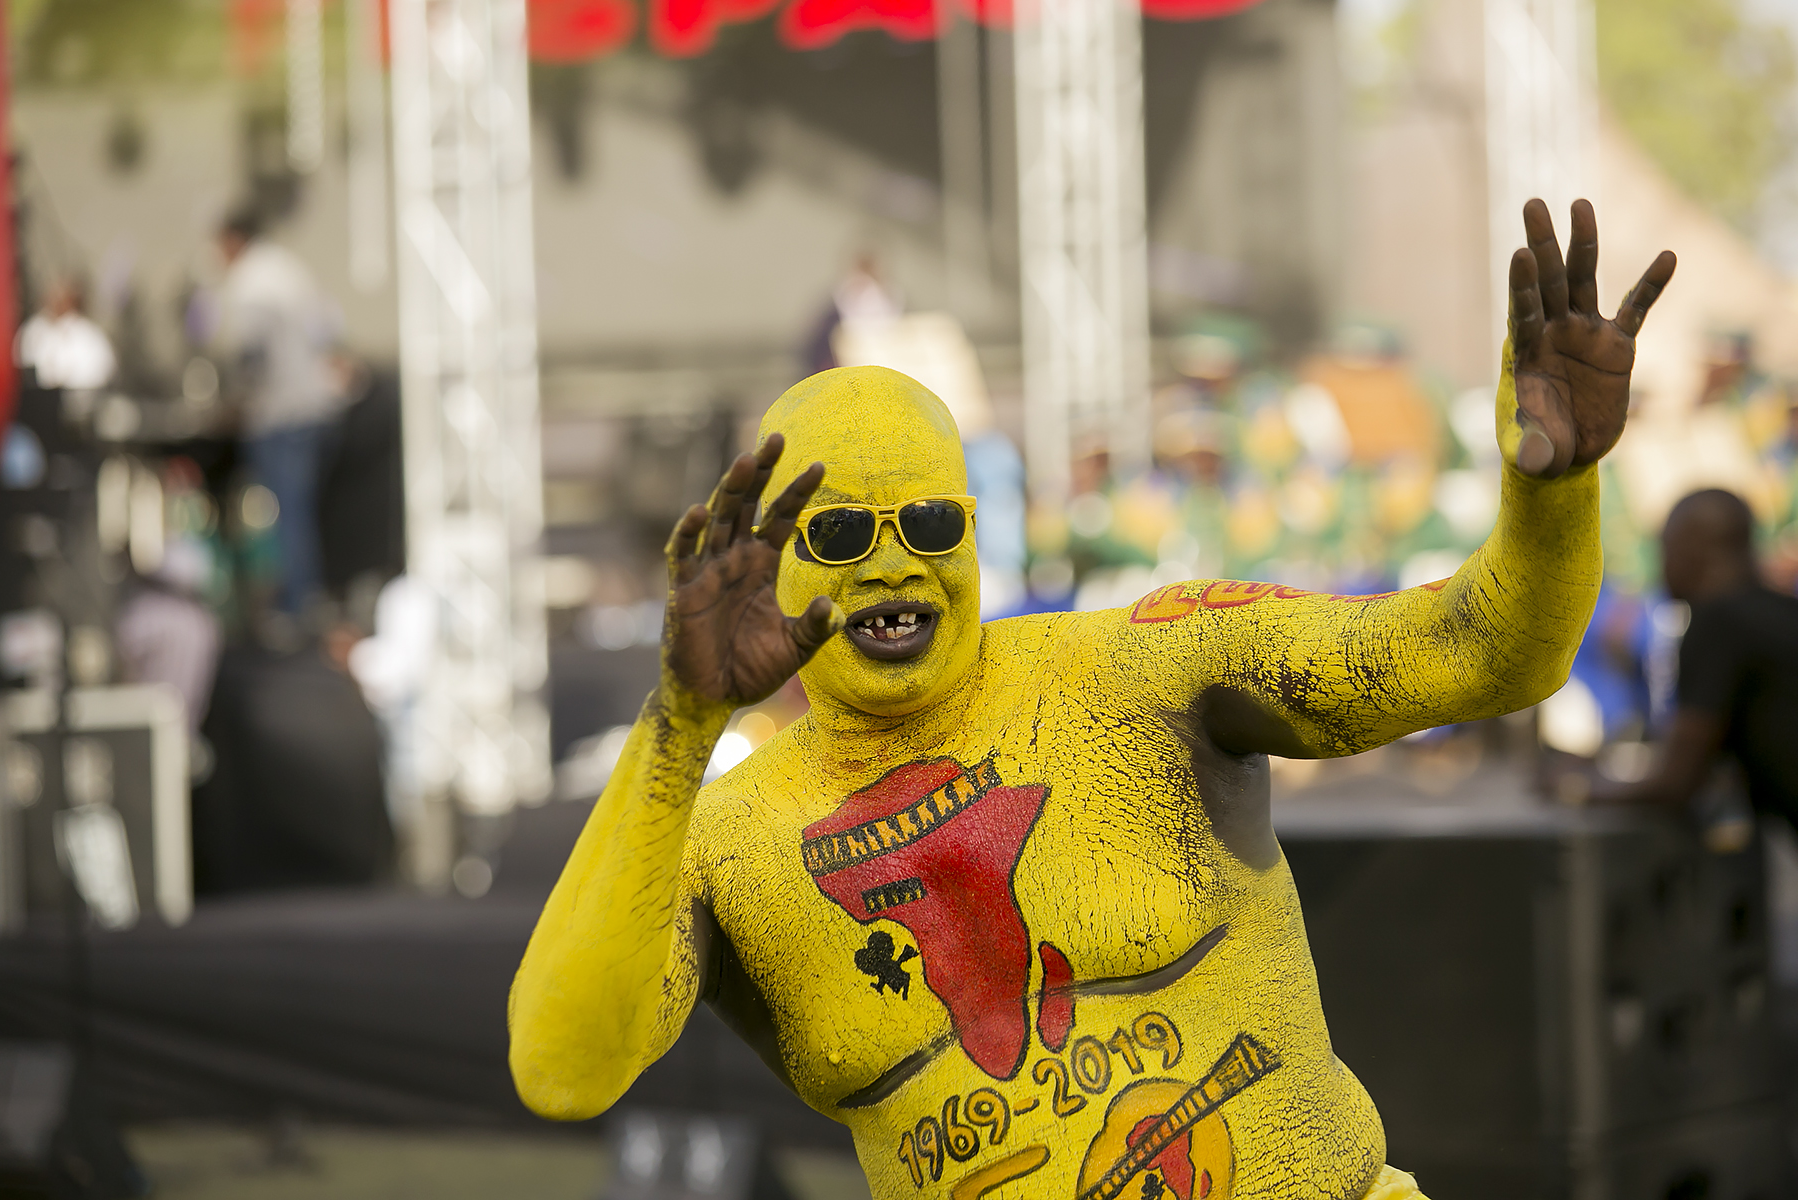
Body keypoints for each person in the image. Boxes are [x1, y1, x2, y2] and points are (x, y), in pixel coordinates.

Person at [510, 201, 1675, 1199]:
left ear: (973, 531)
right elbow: (562, 1068)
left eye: (926, 525)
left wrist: (1554, 493)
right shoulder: (729, 842)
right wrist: (680, 724)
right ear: (773, 562)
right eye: (842, 535)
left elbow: (1479, 653)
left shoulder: (1146, 668)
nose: (891, 566)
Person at [1591, 489, 1798, 817]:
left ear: (1692, 550)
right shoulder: (1777, 612)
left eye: (1665, 548)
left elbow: (1677, 783)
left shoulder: (1718, 623)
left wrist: (1580, 791)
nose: (1662, 566)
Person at [214, 206, 344, 619]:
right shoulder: (289, 269)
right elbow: (329, 330)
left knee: (287, 514)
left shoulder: (252, 281)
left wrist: (235, 400)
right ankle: (307, 600)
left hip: (281, 413)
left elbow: (252, 355)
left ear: (233, 239)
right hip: (315, 407)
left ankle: (295, 609)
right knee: (303, 513)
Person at [14, 277, 116, 393]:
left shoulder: (89, 337)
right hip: (34, 399)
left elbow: (98, 375)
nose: (55, 300)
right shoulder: (33, 330)